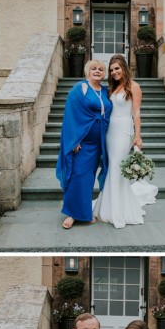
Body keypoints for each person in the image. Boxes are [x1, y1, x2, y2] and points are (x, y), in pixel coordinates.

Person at [92, 54, 158, 228]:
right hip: (109, 131)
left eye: (117, 68)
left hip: (124, 130)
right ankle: (109, 206)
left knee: (117, 167)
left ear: (124, 68)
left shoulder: (134, 86)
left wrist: (138, 136)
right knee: (110, 166)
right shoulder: (112, 88)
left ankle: (119, 210)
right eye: (112, 69)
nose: (114, 72)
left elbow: (136, 113)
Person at [56, 59, 113, 230]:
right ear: (88, 71)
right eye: (94, 68)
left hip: (100, 142)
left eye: (101, 69)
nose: (97, 71)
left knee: (89, 177)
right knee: (78, 175)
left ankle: (84, 212)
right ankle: (73, 214)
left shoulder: (105, 91)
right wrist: (74, 140)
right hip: (83, 142)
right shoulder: (80, 88)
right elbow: (71, 116)